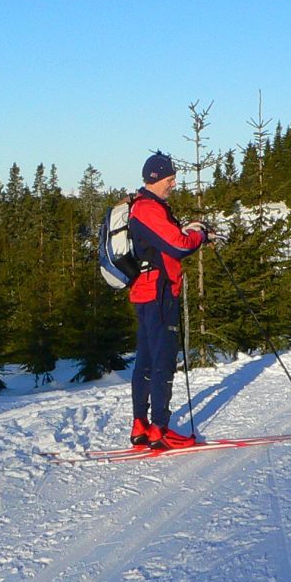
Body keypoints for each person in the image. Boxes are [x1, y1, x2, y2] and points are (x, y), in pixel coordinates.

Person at [127, 151, 209, 449]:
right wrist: (199, 236)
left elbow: (164, 239)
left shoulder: (143, 206)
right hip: (159, 293)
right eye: (170, 179)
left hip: (146, 290)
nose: (173, 184)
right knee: (162, 361)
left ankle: (140, 425)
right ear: (156, 178)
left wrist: (187, 231)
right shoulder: (148, 208)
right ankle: (159, 429)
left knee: (146, 360)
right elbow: (177, 246)